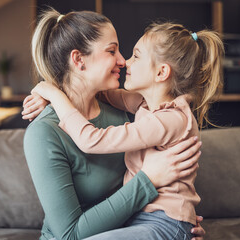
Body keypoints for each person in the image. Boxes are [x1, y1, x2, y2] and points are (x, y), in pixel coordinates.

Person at [27, 20, 224, 240]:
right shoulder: (142, 104)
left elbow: (91, 137)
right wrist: (50, 92)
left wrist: (54, 94)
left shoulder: (162, 117)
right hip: (129, 223)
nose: (123, 61)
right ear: (78, 59)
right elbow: (68, 233)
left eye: (134, 56)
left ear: (161, 72)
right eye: (112, 51)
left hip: (153, 220)